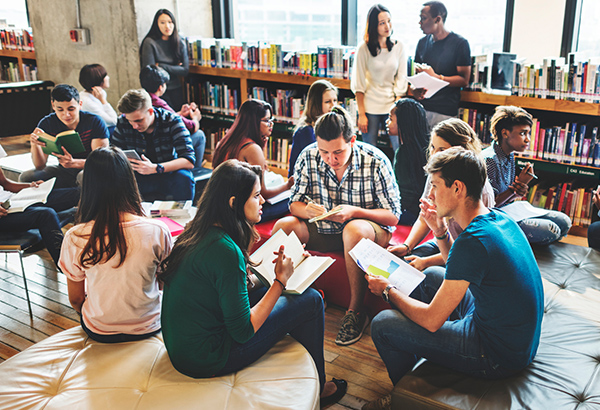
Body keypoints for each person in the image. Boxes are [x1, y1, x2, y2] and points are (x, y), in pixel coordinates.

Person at [362, 147, 543, 410]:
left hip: (496, 354)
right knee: (431, 274)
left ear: (457, 188)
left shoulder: (473, 241)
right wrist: (439, 229)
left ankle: (404, 396)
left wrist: (388, 291)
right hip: (514, 338)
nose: (430, 194)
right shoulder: (496, 219)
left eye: (435, 186)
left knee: (382, 324)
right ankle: (428, 360)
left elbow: (432, 320)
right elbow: (454, 264)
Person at [159, 159, 347, 406]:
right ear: (234, 203)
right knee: (311, 300)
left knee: (276, 288)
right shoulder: (225, 250)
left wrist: (281, 273)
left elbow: (228, 288)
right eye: (257, 195)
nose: (263, 202)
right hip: (209, 358)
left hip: (183, 348)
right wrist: (280, 281)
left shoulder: (196, 231)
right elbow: (243, 330)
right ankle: (319, 389)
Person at [272, 106, 401, 346]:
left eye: (338, 152)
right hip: (323, 229)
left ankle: (355, 312)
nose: (331, 159)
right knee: (283, 226)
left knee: (353, 229)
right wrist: (307, 210)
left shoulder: (375, 160)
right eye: (324, 152)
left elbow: (393, 216)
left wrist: (354, 212)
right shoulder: (308, 155)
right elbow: (294, 204)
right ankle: (285, 296)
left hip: (366, 231)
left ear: (352, 140)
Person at [59, 147, 173, 343]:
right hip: (148, 325)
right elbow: (163, 284)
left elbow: (76, 299)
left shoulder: (75, 236)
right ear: (130, 181)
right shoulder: (158, 230)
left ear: (88, 186)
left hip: (99, 329)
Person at [388, 118, 495, 271]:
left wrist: (426, 262)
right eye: (432, 147)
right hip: (444, 239)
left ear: (460, 152)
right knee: (405, 263)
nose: (434, 155)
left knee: (425, 271)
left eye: (442, 150)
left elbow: (470, 251)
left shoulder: (480, 191)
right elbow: (425, 217)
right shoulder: (438, 173)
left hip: (467, 253)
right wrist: (407, 246)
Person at [482, 105, 571, 245]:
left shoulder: (509, 155)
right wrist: (515, 189)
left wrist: (519, 190)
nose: (528, 139)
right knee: (551, 230)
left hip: (511, 209)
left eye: (528, 134)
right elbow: (488, 206)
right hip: (495, 217)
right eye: (523, 133)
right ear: (505, 133)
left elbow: (510, 196)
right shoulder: (489, 160)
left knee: (564, 221)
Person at [212, 99, 293, 221]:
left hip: (221, 206)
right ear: (254, 123)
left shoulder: (226, 141)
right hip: (241, 212)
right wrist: (287, 185)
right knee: (292, 200)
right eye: (266, 120)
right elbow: (263, 193)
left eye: (271, 120)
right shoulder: (252, 149)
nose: (271, 124)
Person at [111, 89, 195, 201]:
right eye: (130, 121)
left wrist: (156, 168)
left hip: (167, 172)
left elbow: (188, 161)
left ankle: (182, 215)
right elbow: (113, 154)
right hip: (137, 176)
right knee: (115, 179)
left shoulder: (172, 120)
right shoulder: (123, 122)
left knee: (184, 178)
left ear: (151, 111)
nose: (135, 126)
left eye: (139, 121)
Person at [20, 84, 110, 189]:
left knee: (83, 176)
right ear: (53, 106)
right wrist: (34, 144)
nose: (66, 114)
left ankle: (80, 202)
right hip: (63, 170)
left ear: (80, 104)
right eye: (60, 109)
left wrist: (74, 163)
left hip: (89, 169)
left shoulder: (94, 122)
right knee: (27, 177)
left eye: (71, 109)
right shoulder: (47, 124)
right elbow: (40, 166)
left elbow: (102, 161)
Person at [352, 4, 408, 152]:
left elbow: (401, 79)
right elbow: (358, 83)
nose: (387, 26)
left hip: (392, 105)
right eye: (382, 23)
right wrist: (361, 114)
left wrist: (396, 109)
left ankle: (399, 176)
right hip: (370, 107)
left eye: (389, 21)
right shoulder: (363, 48)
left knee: (399, 149)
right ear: (373, 26)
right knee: (369, 151)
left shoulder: (399, 46)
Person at [0, 166, 79, 268]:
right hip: (4, 215)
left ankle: (98, 260)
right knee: (46, 215)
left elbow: (6, 184)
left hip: (13, 201)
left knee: (77, 193)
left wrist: (30, 186)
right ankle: (68, 269)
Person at [413, 1, 471, 130]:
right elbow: (417, 77)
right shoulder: (422, 43)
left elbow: (464, 80)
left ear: (437, 19)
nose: (420, 23)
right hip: (422, 108)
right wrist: (414, 90)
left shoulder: (460, 43)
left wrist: (436, 77)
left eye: (423, 18)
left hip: (445, 111)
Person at [139, 64, 206, 173]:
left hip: (147, 149)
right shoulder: (159, 102)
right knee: (199, 135)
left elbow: (164, 118)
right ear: (161, 87)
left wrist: (179, 113)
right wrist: (195, 119)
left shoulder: (141, 99)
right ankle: (195, 171)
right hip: (166, 148)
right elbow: (191, 127)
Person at [386, 98, 429, 225]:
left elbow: (404, 196)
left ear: (403, 123)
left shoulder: (404, 153)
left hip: (411, 214)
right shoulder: (426, 146)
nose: (387, 122)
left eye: (390, 118)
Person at [140, 9, 189, 110]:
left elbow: (185, 70)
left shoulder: (179, 41)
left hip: (176, 87)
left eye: (170, 22)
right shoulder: (150, 43)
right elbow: (151, 73)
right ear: (156, 24)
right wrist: (175, 68)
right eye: (162, 23)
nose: (167, 26)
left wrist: (161, 66)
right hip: (158, 91)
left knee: (180, 116)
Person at [288, 80, 338, 176]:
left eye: (335, 100)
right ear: (316, 104)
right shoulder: (306, 131)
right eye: (327, 102)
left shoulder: (330, 126)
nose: (333, 106)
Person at [78, 64, 118, 133]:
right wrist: (103, 100)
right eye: (105, 76)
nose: (108, 78)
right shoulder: (87, 101)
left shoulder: (100, 93)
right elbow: (114, 121)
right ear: (98, 79)